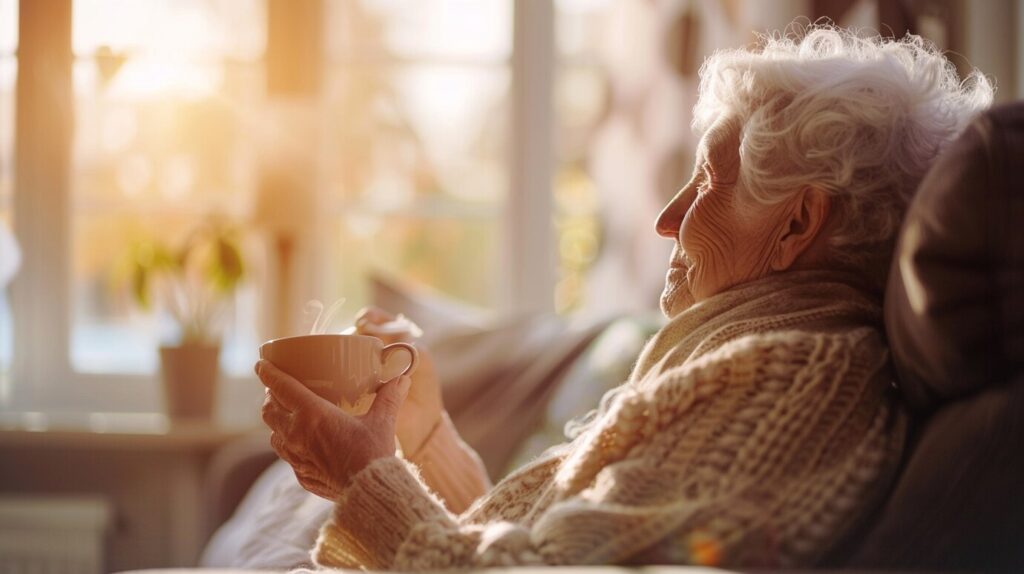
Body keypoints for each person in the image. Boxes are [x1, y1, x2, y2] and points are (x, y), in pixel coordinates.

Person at [256, 25, 993, 569]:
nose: (667, 219)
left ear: (797, 223)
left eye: (707, 182)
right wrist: (423, 440)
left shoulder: (793, 385)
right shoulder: (750, 365)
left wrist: (364, 478)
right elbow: (544, 545)